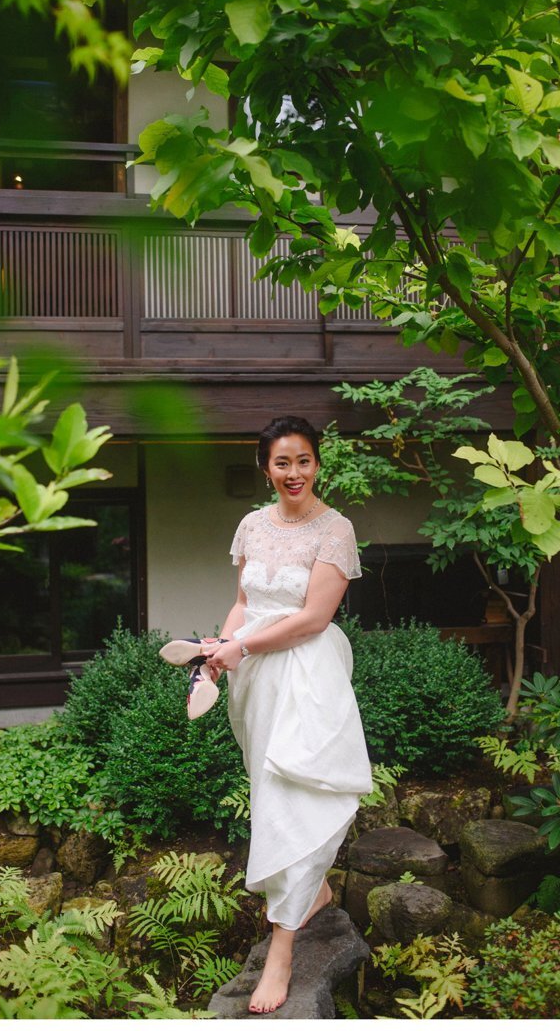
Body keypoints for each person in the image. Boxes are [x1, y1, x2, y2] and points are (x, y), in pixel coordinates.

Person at [197, 415, 372, 1014]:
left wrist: (241, 646)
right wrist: (216, 658)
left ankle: (282, 952)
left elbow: (313, 619)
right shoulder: (251, 524)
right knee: (268, 790)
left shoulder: (336, 529)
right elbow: (245, 603)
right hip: (255, 683)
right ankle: (314, 889)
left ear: (317, 463)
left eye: (303, 461)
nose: (293, 473)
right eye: (281, 462)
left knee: (289, 797)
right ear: (265, 467)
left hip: (306, 677)